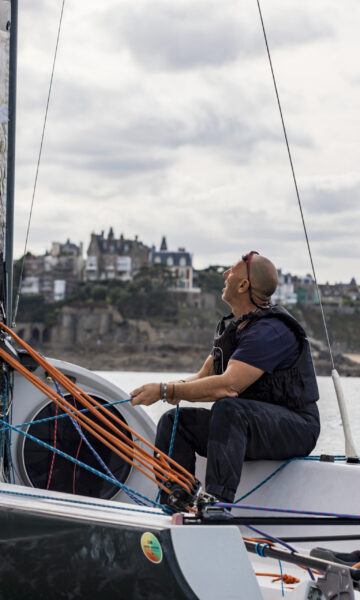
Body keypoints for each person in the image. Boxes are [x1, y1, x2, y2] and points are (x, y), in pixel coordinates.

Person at [130, 251, 320, 504]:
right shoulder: (239, 329)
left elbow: (228, 386)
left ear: (243, 285)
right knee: (174, 422)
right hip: (250, 424)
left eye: (231, 271)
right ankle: (175, 499)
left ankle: (216, 504)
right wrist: (162, 391)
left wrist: (166, 391)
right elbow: (201, 378)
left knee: (228, 407)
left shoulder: (271, 331)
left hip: (297, 427)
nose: (224, 274)